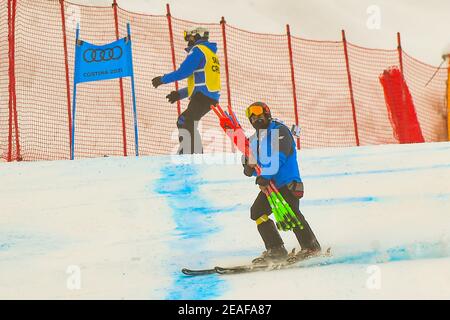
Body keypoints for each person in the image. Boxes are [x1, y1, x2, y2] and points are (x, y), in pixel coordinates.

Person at [242, 102, 321, 264]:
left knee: (291, 213)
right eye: (253, 116)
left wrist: (266, 175)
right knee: (257, 212)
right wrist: (248, 165)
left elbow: (279, 156)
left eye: (260, 115)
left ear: (267, 114)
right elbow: (247, 162)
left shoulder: (279, 131)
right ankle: (276, 249)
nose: (256, 119)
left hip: (287, 183)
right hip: (270, 187)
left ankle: (311, 246)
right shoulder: (254, 139)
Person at [151, 27, 221, 154]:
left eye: (190, 38)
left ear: (198, 38)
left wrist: (162, 79)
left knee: (185, 121)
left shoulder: (198, 50)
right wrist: (179, 94)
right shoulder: (211, 54)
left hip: (202, 97)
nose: (188, 41)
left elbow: (184, 72)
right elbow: (201, 83)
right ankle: (194, 153)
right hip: (208, 96)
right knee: (186, 121)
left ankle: (190, 154)